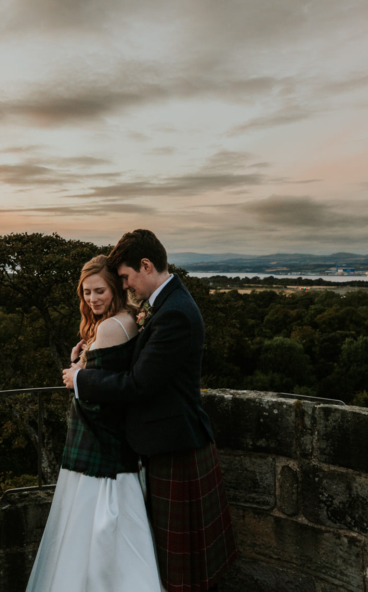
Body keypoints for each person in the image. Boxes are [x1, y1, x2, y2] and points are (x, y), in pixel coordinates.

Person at [64, 230, 238, 592]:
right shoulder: (168, 304)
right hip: (168, 441)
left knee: (182, 566)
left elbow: (139, 384)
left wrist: (80, 379)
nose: (125, 287)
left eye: (125, 278)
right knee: (176, 559)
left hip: (175, 444)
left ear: (145, 265)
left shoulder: (173, 313)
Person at [27, 255, 161, 592]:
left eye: (99, 290)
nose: (92, 299)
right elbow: (106, 376)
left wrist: (77, 374)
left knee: (93, 533)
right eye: (86, 293)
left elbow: (96, 394)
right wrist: (80, 363)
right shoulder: (129, 319)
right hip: (115, 445)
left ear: (115, 288)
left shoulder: (110, 327)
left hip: (99, 447)